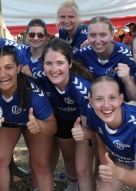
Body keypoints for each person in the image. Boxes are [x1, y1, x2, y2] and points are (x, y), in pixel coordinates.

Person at [0, 46, 57, 191]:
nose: (2, 74)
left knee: (41, 165)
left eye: (8, 67)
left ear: (19, 68)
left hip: (34, 122)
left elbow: (52, 126)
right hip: (7, 123)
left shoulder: (32, 91)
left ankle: (37, 187)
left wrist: (39, 124)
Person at [33, 38, 96, 191]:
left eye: (60, 63)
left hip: (84, 124)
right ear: (42, 64)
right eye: (48, 63)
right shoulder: (38, 76)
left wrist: (82, 131)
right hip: (60, 119)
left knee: (82, 167)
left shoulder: (82, 88)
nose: (54, 69)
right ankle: (72, 186)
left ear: (70, 63)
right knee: (68, 156)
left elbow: (89, 128)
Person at [72, 76, 136, 191]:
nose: (106, 105)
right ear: (91, 101)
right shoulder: (94, 113)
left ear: (121, 99)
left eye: (112, 98)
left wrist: (119, 173)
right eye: (99, 99)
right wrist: (106, 174)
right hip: (126, 159)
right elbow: (102, 143)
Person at [78, 16, 136, 101]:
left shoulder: (126, 54)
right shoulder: (83, 54)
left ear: (112, 35)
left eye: (103, 35)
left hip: (123, 104)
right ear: (87, 36)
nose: (97, 40)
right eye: (92, 35)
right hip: (96, 104)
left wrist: (128, 81)